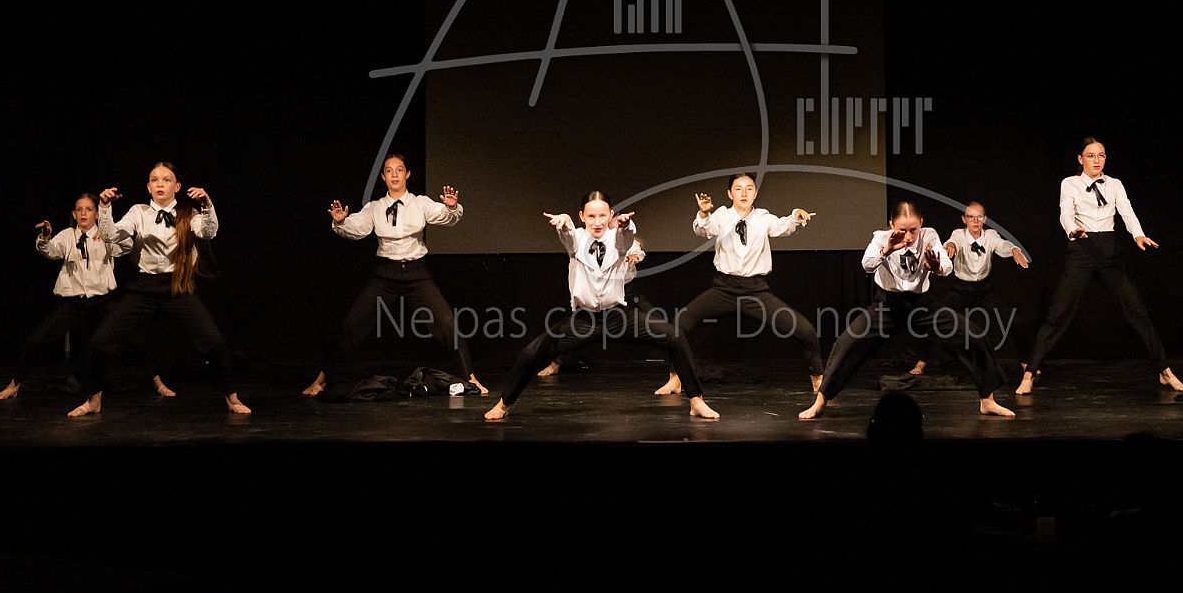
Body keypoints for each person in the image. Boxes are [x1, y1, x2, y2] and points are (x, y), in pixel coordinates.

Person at [485, 191, 719, 420]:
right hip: (584, 321)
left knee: (674, 336)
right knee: (531, 352)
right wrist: (564, 223)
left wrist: (626, 226)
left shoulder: (617, 238)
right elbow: (567, 235)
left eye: (602, 216)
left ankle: (696, 401)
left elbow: (627, 238)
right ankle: (505, 403)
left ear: (611, 215)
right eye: (591, 216)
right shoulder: (577, 239)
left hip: (619, 317)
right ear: (581, 216)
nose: (597, 222)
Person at [799, 201, 1014, 420]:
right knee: (847, 343)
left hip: (922, 305)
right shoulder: (881, 238)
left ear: (921, 223)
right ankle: (820, 401)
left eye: (914, 229)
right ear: (892, 224)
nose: (909, 236)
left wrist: (936, 266)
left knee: (973, 335)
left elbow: (947, 267)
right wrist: (888, 250)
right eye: (903, 230)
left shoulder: (929, 236)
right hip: (888, 306)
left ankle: (987, 401)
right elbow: (867, 265)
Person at [69, 163, 250, 416]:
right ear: (148, 187)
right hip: (144, 288)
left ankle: (231, 398)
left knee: (215, 341)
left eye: (166, 180)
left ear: (177, 186)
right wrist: (105, 207)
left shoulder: (188, 214)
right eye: (154, 180)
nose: (160, 184)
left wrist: (207, 205)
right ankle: (93, 400)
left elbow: (209, 233)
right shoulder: (138, 212)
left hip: (177, 288)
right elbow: (111, 235)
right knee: (99, 342)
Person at [303, 154, 486, 397]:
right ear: (383, 177)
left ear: (407, 174)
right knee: (351, 326)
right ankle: (322, 380)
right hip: (386, 275)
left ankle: (470, 378)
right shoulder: (375, 208)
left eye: (399, 170)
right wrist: (341, 223)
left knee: (447, 324)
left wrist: (451, 207)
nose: (394, 175)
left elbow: (446, 217)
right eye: (389, 171)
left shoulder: (420, 203)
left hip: (416, 273)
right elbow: (356, 228)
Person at [1016, 138, 1183, 396]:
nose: (1097, 160)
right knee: (1058, 314)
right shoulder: (1069, 183)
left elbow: (1127, 211)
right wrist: (1072, 229)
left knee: (1137, 312)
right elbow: (1065, 212)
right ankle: (1030, 373)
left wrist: (1138, 234)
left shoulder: (1115, 184)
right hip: (1081, 248)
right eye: (1091, 155)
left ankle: (1164, 370)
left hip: (1109, 251)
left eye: (1101, 155)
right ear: (1080, 159)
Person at [654, 174, 824, 397]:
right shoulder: (721, 216)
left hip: (756, 291)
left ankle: (819, 382)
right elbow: (704, 229)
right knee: (678, 326)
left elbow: (783, 226)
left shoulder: (763, 217)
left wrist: (796, 216)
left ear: (755, 193)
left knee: (805, 330)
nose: (744, 193)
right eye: (738, 189)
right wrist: (704, 213)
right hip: (724, 288)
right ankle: (675, 379)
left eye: (749, 188)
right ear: (729, 193)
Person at [0, 194, 176, 400]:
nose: (83, 213)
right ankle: (14, 385)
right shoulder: (67, 236)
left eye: (88, 209)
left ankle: (158, 383)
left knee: (136, 337)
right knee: (36, 339)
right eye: (79, 209)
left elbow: (125, 247)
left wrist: (109, 236)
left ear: (97, 214)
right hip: (73, 302)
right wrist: (45, 236)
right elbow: (51, 251)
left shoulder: (105, 235)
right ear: (74, 214)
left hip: (103, 300)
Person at [909, 201, 1030, 376]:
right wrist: (950, 246)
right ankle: (922, 361)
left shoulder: (990, 235)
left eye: (979, 217)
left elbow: (1001, 244)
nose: (975, 221)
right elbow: (953, 242)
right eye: (971, 217)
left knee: (1014, 320)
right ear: (964, 219)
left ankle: (1027, 364)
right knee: (935, 318)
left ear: (985, 219)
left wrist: (1013, 250)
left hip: (985, 290)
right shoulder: (959, 234)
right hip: (961, 290)